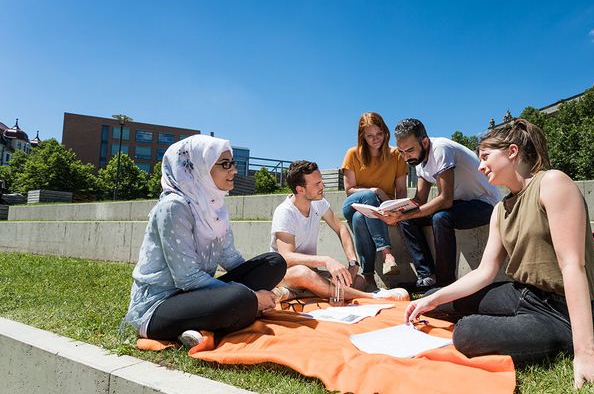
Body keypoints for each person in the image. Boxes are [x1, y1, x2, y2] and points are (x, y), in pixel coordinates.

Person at [404, 119, 594, 394]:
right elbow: (484, 272)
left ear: (512, 152)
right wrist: (431, 298)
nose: (480, 166)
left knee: (466, 333)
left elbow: (573, 266)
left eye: (486, 157)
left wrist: (585, 351)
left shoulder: (552, 183)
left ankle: (565, 340)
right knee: (449, 300)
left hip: (557, 311)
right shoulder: (500, 209)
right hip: (522, 293)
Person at [123, 135, 286, 347]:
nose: (234, 171)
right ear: (197, 167)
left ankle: (208, 321)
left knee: (274, 263)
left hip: (197, 294)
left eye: (233, 164)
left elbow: (231, 258)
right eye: (225, 164)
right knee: (241, 298)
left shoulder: (214, 206)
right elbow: (187, 278)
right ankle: (229, 312)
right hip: (160, 304)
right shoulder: (174, 207)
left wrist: (261, 285)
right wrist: (253, 296)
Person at [381, 118, 501, 289]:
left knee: (441, 217)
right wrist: (396, 212)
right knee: (407, 220)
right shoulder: (417, 160)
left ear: (424, 141)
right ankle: (427, 277)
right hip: (460, 204)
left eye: (409, 150)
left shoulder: (441, 149)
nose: (406, 157)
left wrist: (407, 213)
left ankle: (445, 283)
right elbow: (419, 200)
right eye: (401, 152)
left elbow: (445, 199)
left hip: (485, 203)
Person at [271, 160, 409, 301]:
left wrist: (353, 262)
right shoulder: (285, 212)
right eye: (317, 184)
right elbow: (286, 257)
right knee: (303, 273)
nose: (323, 186)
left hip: (312, 273)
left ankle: (295, 294)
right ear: (300, 190)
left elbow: (341, 228)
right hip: (284, 274)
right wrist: (325, 261)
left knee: (358, 281)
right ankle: (373, 297)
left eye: (321, 181)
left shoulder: (318, 202)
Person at [341, 112, 408, 287]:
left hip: (381, 208)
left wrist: (398, 209)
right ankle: (387, 254)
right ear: (362, 136)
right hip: (353, 204)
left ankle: (368, 276)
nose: (375, 139)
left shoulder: (396, 155)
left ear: (385, 132)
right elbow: (349, 190)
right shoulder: (352, 153)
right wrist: (376, 191)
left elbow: (401, 189)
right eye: (370, 135)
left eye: (379, 134)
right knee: (364, 204)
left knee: (360, 219)